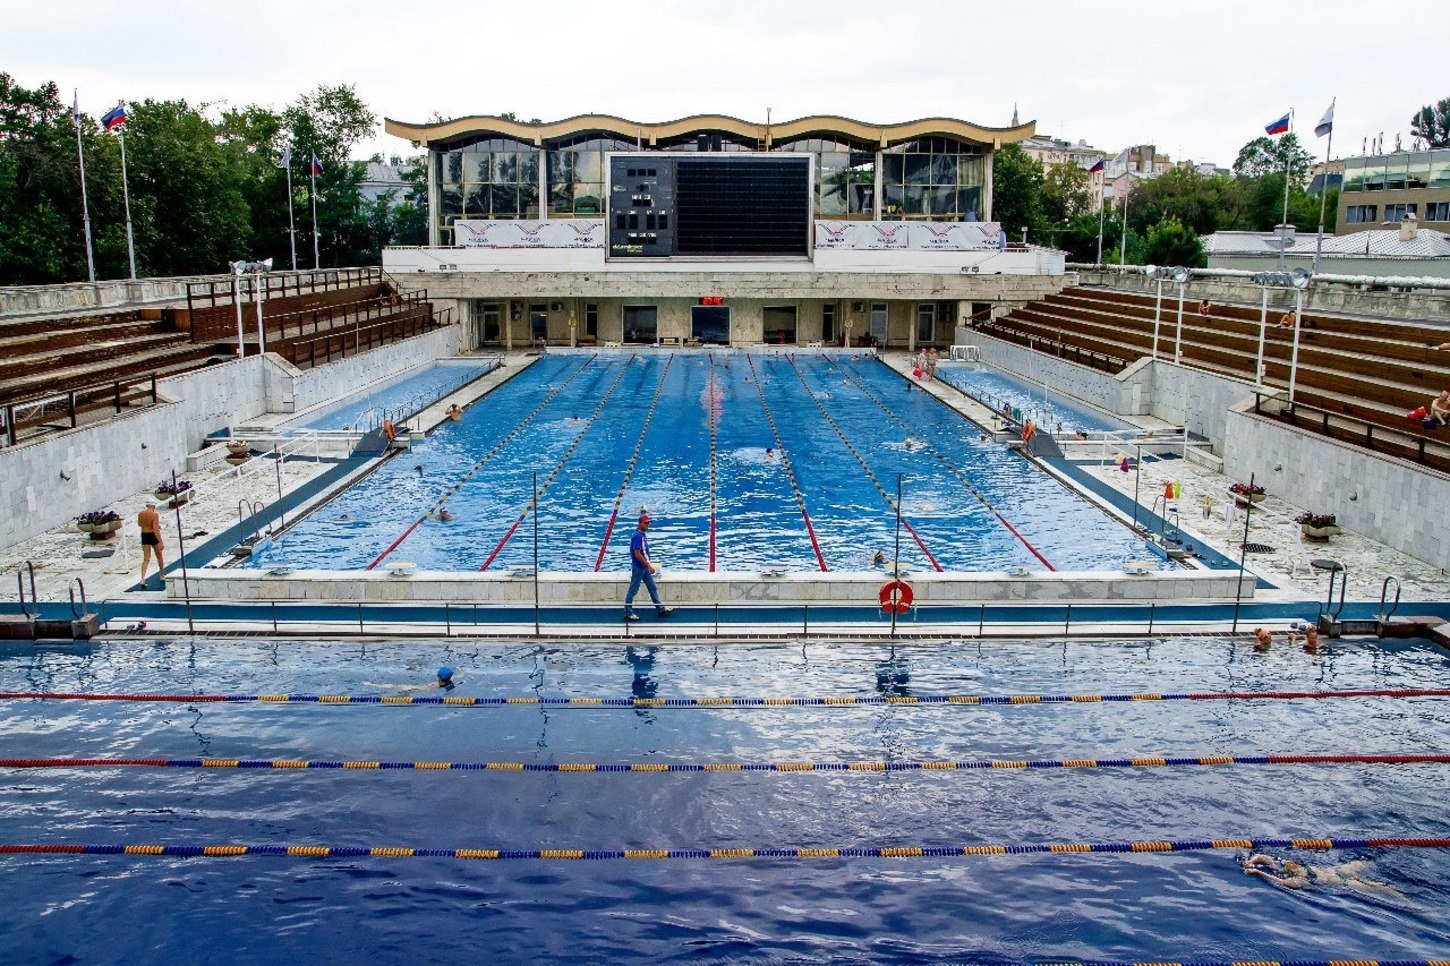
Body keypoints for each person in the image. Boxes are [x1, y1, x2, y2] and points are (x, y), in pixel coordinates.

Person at [1242, 854, 1404, 898]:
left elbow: (1262, 857)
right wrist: (1256, 870)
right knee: (1383, 888)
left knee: (1369, 861)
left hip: (1338, 871)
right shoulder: (1299, 880)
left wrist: (1251, 861)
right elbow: (1282, 882)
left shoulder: (1291, 869)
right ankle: (1404, 899)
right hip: (1344, 881)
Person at [625, 513, 673, 621]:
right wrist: (649, 566)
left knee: (652, 587)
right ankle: (628, 612)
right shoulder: (637, 536)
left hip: (643, 568)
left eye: (648, 523)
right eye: (645, 523)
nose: (648, 525)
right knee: (633, 590)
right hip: (639, 568)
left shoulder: (642, 534)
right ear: (640, 523)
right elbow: (637, 554)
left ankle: (660, 608)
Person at [138, 502, 165, 588]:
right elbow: (155, 530)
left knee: (146, 558)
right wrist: (160, 541)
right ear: (153, 507)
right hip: (152, 535)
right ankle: (162, 574)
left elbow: (140, 524)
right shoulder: (154, 515)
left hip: (144, 535)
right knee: (159, 555)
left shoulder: (140, 514)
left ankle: (142, 578)